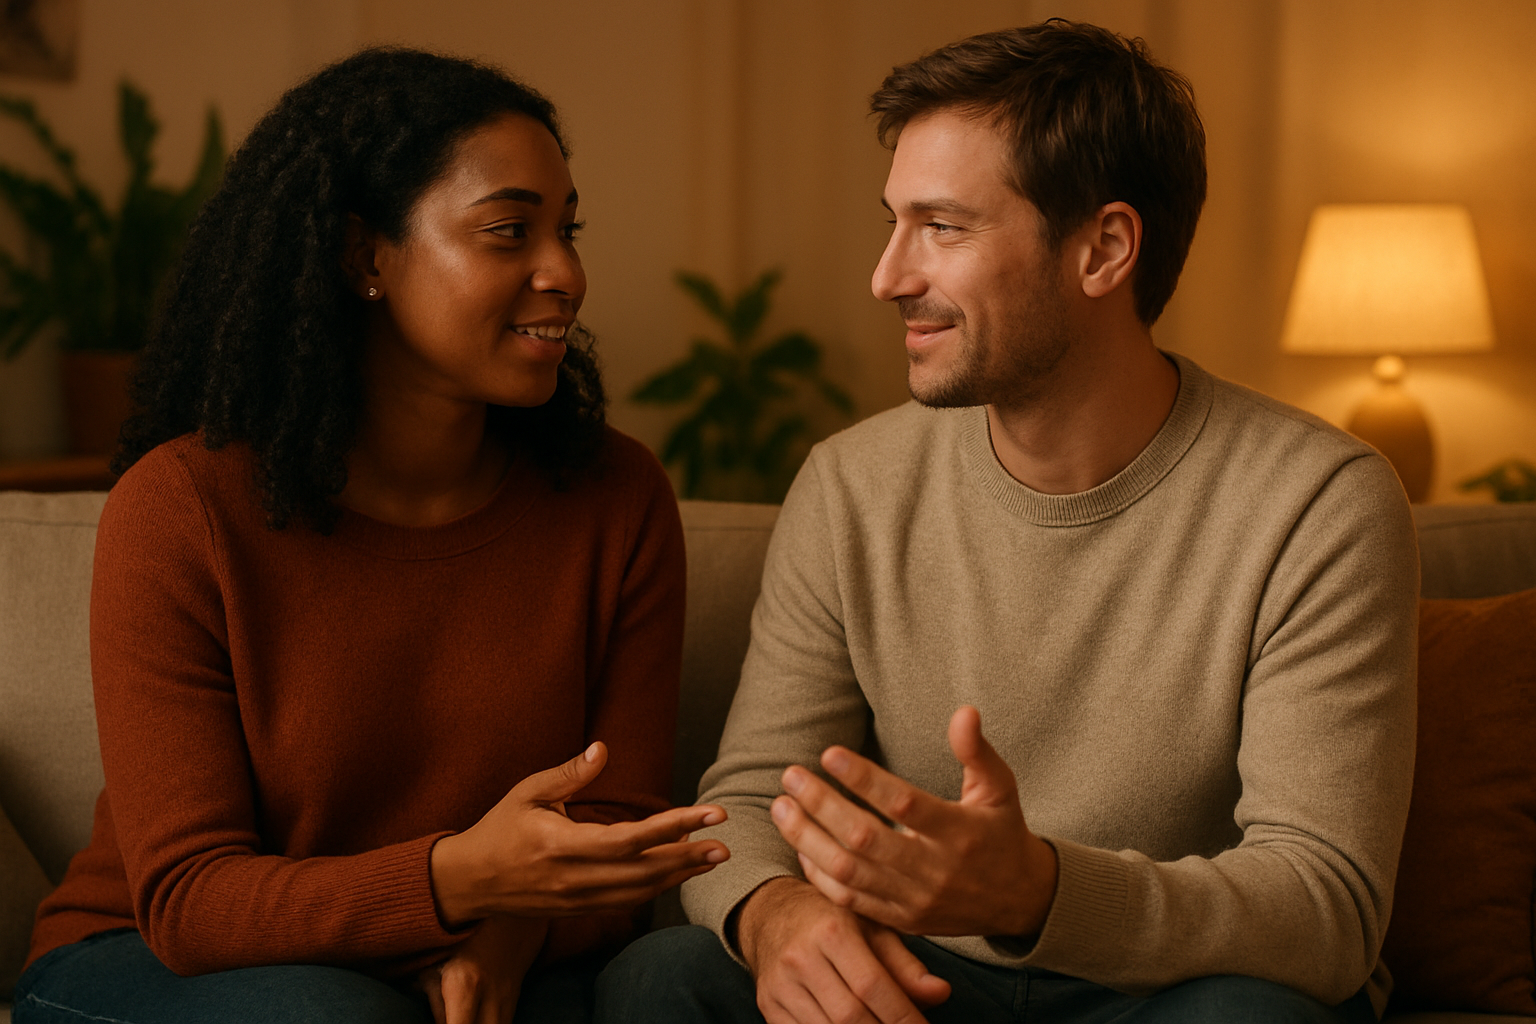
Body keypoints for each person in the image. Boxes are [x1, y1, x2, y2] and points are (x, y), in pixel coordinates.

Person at [596, 20, 1417, 1024]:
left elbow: (1327, 903)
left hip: (1159, 990)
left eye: (942, 227)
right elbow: (757, 795)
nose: (888, 275)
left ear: (1104, 249)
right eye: (894, 222)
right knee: (662, 978)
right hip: (924, 982)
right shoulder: (851, 484)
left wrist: (1038, 889)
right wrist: (775, 915)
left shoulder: (1318, 500)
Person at [14, 48, 728, 1024]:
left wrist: (499, 937)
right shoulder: (180, 505)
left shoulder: (617, 496)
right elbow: (189, 901)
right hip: (159, 961)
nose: (565, 273)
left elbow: (623, 835)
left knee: (680, 978)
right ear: (365, 257)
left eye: (567, 231)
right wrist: (453, 884)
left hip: (488, 943)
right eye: (509, 231)